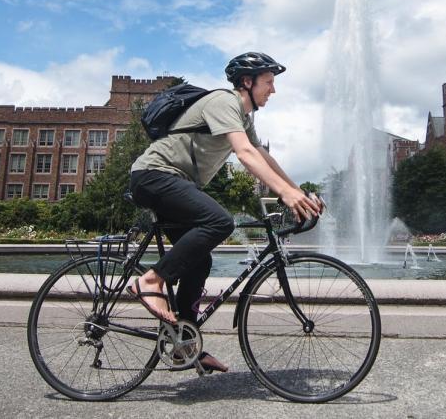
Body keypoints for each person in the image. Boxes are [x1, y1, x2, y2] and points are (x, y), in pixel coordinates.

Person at [126, 51, 323, 373]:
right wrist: (285, 194)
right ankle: (150, 280)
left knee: (199, 258)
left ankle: (183, 346)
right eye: (269, 82)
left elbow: (262, 155)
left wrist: (297, 191)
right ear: (247, 82)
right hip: (154, 175)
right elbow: (244, 153)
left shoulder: (245, 117)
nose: (273, 90)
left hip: (174, 180)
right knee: (219, 221)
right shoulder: (223, 101)